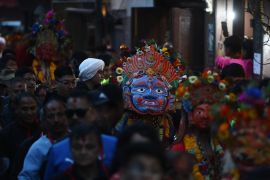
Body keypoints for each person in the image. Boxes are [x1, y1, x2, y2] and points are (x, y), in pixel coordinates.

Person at [44, 86, 121, 180]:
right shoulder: (56, 150)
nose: (75, 117)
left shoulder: (115, 145)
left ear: (93, 112)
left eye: (80, 112)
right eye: (70, 113)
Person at [18, 95, 69, 180]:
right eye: (51, 116)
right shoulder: (38, 148)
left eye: (60, 114)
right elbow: (26, 177)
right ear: (44, 120)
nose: (56, 120)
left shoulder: (77, 139)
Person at [0, 93, 40, 176]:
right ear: (16, 110)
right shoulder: (7, 133)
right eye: (24, 109)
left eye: (32, 108)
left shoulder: (44, 129)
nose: (29, 113)